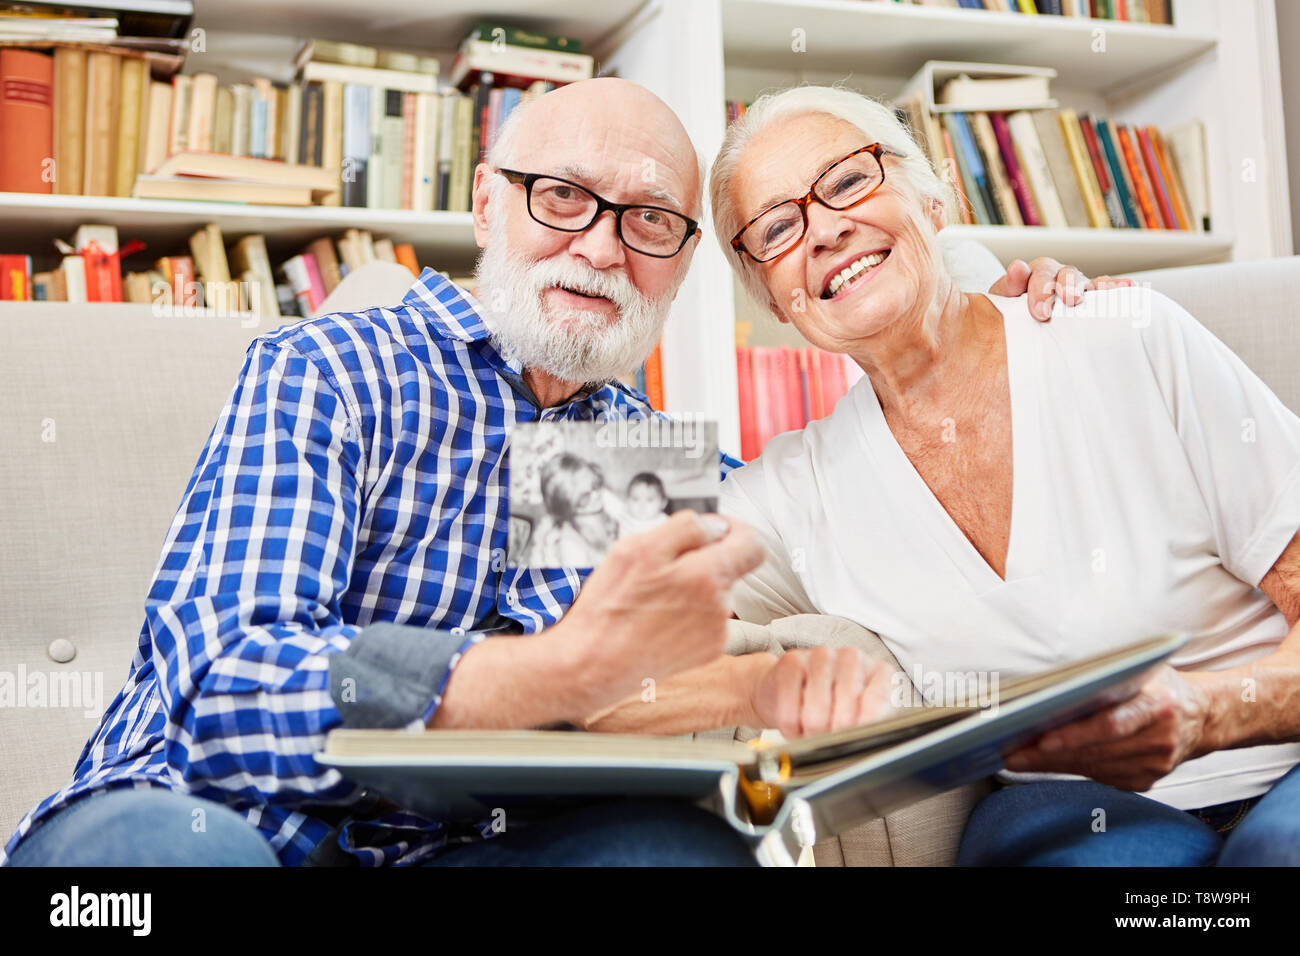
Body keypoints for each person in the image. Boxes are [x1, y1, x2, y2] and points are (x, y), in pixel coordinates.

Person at [3, 78, 1104, 868]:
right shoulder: (334, 368)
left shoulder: (628, 450)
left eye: (651, 221)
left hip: (457, 846)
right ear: (487, 204)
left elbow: (853, 490)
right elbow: (225, 691)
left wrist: (971, 314)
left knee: (672, 851)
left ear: (682, 266)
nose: (599, 245)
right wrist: (552, 674)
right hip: (207, 817)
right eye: (561, 196)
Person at [706, 84, 1300, 866]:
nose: (823, 229)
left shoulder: (1125, 337)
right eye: (777, 228)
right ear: (772, 296)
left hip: (1277, 761)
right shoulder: (787, 497)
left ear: (934, 196)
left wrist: (1206, 714)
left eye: (848, 181)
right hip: (1086, 816)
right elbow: (617, 613)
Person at [534, 453, 620, 567]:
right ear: (566, 506)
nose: (596, 495)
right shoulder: (569, 544)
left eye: (596, 485)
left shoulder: (603, 497)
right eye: (584, 497)